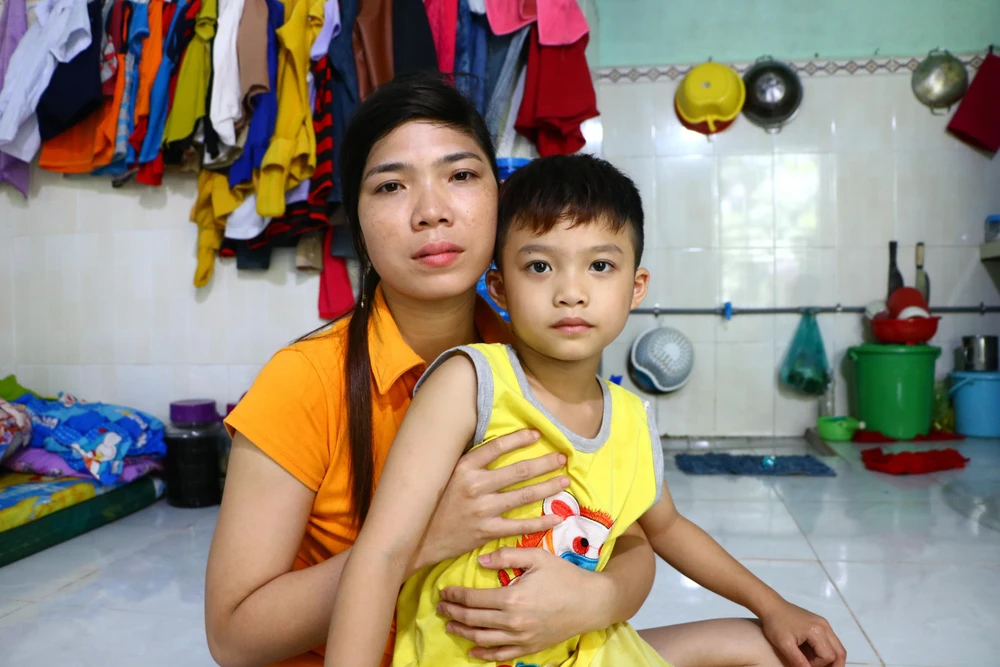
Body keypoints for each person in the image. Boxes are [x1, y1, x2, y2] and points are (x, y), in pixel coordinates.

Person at [206, 72, 846, 667]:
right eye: (391, 186)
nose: (431, 210)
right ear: (356, 219)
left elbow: (633, 536)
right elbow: (234, 639)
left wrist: (595, 600)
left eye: (460, 175)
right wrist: (429, 539)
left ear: (498, 195)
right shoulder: (308, 380)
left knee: (770, 653)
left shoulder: (541, 349)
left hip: (540, 651)